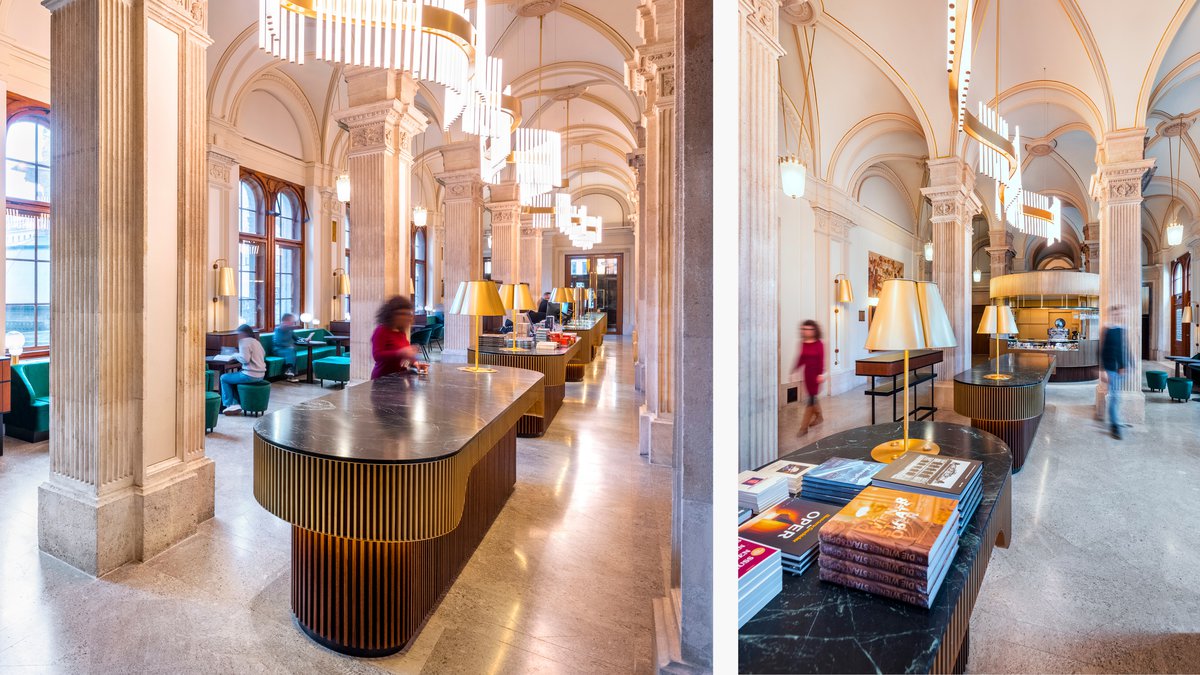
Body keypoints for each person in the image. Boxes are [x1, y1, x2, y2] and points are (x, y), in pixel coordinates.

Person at [371, 295, 425, 379]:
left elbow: (404, 359)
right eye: (403, 314)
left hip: (399, 378)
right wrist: (400, 352)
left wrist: (414, 363)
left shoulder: (401, 333)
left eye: (409, 314)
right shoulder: (381, 331)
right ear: (393, 315)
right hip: (383, 379)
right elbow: (377, 356)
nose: (408, 318)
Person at [221, 324, 267, 416]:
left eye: (239, 334)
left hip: (250, 375)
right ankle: (235, 403)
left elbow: (245, 359)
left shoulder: (244, 341)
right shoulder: (256, 342)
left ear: (244, 334)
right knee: (233, 378)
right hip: (261, 375)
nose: (238, 336)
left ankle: (229, 404)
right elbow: (263, 354)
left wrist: (234, 354)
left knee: (224, 378)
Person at [1100, 305, 1130, 440]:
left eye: (1120, 313)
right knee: (1114, 397)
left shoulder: (1122, 329)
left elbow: (1123, 349)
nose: (1119, 315)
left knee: (1117, 397)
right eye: (1116, 313)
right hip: (1111, 368)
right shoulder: (1107, 329)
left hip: (1121, 369)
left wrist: (1125, 365)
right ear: (1112, 314)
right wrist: (1103, 370)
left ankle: (1116, 420)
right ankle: (1115, 426)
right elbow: (1103, 351)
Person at [792, 320, 826, 436]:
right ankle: (819, 416)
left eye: (810, 329)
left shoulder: (819, 344)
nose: (807, 332)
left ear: (815, 330)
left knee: (810, 400)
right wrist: (794, 370)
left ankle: (803, 427)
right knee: (813, 397)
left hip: (816, 375)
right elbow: (801, 358)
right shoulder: (803, 343)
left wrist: (821, 374)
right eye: (805, 329)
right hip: (807, 375)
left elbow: (821, 360)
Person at [273, 313, 299, 381]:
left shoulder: (290, 330)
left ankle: (290, 372)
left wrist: (305, 339)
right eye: (291, 321)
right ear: (285, 321)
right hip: (279, 349)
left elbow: (297, 338)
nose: (293, 322)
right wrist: (288, 346)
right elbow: (277, 342)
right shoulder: (278, 329)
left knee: (292, 350)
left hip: (288, 349)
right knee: (291, 350)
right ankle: (289, 372)